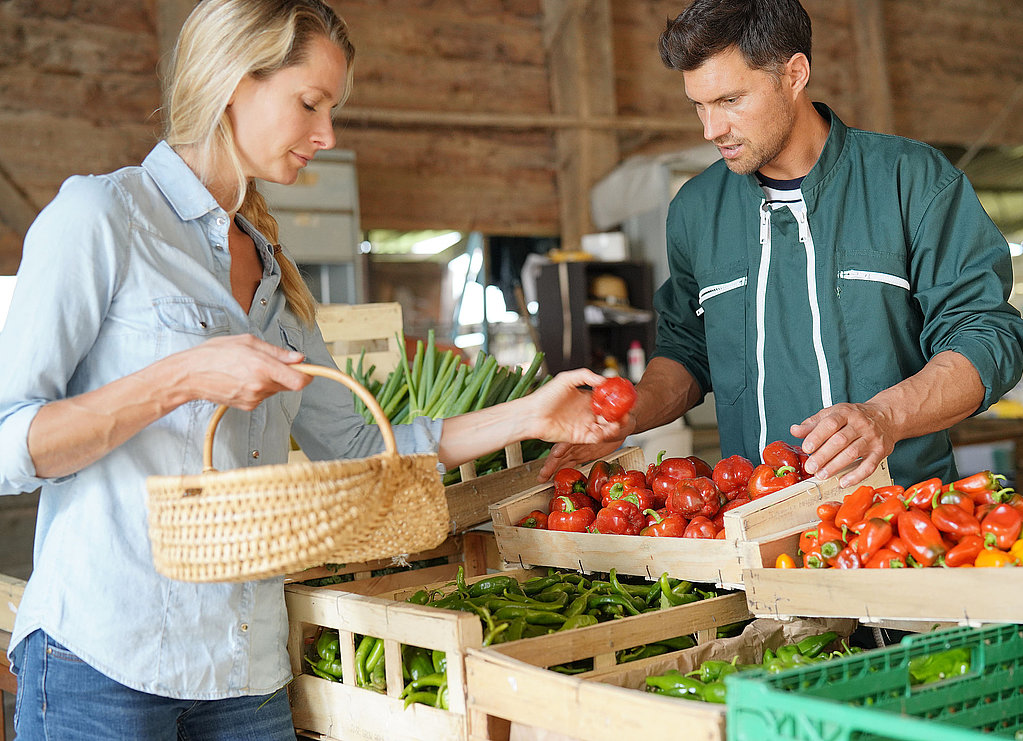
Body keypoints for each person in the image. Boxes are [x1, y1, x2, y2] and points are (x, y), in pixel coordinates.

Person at [0, 1, 622, 738]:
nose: (326, 133)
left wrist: (531, 414)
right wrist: (185, 376)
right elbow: (11, 445)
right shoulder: (102, 217)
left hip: (246, 668)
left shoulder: (275, 274)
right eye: (310, 103)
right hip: (104, 661)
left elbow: (364, 451)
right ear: (234, 83)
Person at [540, 0, 1023, 489]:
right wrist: (634, 414)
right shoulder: (695, 209)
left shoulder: (910, 180)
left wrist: (885, 416)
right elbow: (688, 349)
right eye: (699, 105)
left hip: (901, 515)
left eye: (730, 100)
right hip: (751, 515)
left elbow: (985, 335)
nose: (711, 130)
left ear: (795, 74)